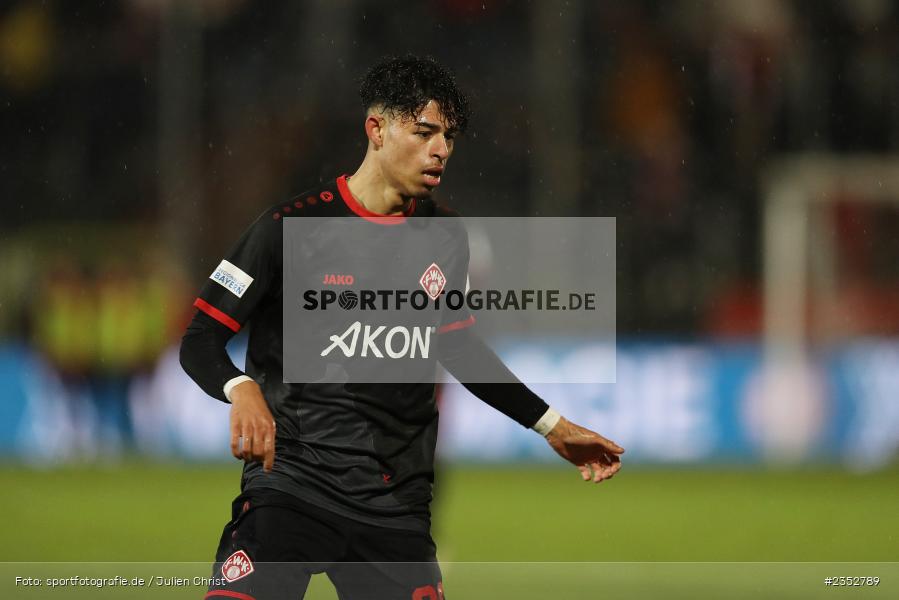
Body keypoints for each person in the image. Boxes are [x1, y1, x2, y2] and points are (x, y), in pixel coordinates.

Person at [180, 55, 623, 600]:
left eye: (449, 137)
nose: (441, 149)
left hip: (395, 509)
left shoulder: (445, 235)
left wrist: (552, 425)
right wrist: (240, 387)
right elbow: (200, 337)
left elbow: (457, 346)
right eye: (425, 132)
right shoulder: (289, 229)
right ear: (377, 130)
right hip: (292, 489)